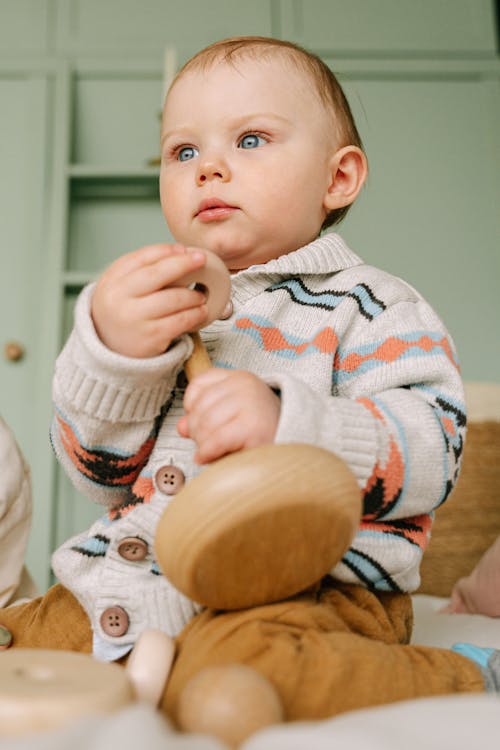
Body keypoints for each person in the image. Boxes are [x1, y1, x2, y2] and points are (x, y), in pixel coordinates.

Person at [1, 36, 498, 724]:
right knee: (24, 644)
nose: (208, 169)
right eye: (183, 152)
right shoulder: (159, 306)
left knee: (251, 670)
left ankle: (461, 676)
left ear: (338, 178)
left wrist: (288, 422)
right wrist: (114, 355)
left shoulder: (377, 307)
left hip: (306, 592)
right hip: (134, 579)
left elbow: (434, 452)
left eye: (252, 139)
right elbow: (101, 477)